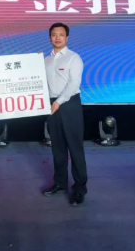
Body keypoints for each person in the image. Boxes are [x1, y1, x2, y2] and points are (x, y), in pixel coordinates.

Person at [41, 22, 88, 206]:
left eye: (61, 34)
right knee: (58, 149)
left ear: (66, 37)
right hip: (51, 105)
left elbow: (73, 84)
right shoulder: (46, 60)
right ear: (50, 37)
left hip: (69, 105)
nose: (57, 38)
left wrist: (59, 102)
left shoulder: (73, 58)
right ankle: (60, 183)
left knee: (75, 149)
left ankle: (79, 189)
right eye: (54, 34)